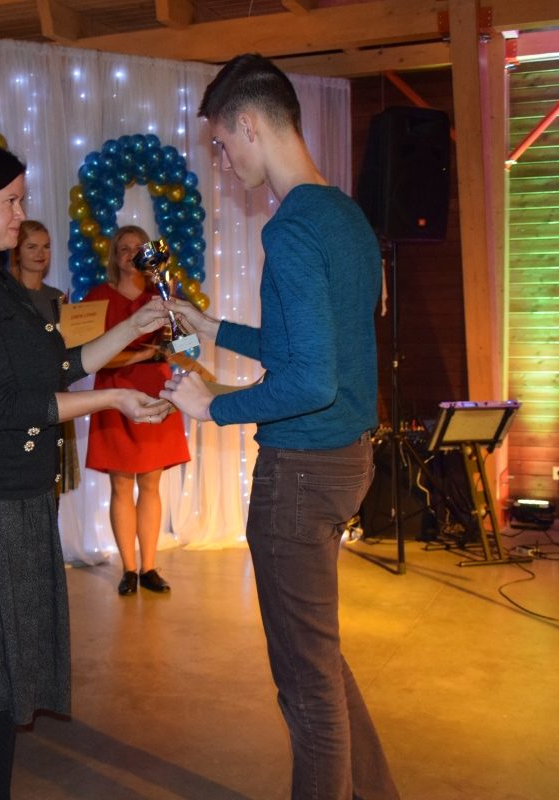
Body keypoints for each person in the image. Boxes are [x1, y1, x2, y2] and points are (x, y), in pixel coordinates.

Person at [160, 54, 400, 800]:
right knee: (318, 660)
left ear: (249, 124)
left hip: (300, 475)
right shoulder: (346, 216)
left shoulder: (292, 228)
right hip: (345, 463)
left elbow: (311, 380)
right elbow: (312, 347)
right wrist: (217, 330)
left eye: (221, 145)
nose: (223, 162)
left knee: (305, 687)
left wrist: (213, 405)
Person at [0, 142, 171, 800]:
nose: (20, 214)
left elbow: (59, 362)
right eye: (10, 202)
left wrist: (135, 325)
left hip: (12, 498)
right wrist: (115, 398)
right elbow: (8, 405)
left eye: (22, 199)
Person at [84, 225, 190, 596]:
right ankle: (128, 569)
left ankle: (149, 568)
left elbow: (188, 347)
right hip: (113, 394)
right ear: (114, 257)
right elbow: (90, 356)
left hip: (155, 391)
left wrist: (175, 337)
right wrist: (144, 353)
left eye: (138, 248)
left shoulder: (163, 294)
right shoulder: (97, 297)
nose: (131, 254)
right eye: (124, 249)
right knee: (120, 484)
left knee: (150, 484)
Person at [9, 221, 81, 498]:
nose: (41, 253)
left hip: (56, 395)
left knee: (52, 487)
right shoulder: (5, 294)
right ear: (16, 251)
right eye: (32, 247)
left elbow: (69, 349)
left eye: (46, 247)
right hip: (21, 399)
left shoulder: (57, 298)